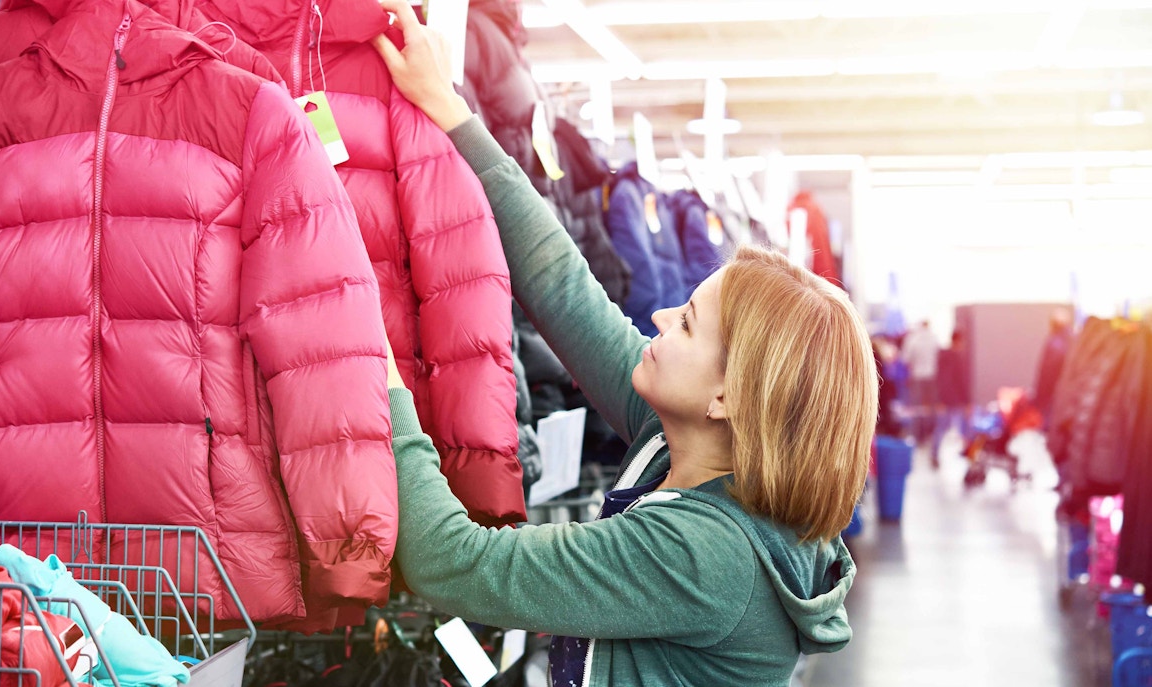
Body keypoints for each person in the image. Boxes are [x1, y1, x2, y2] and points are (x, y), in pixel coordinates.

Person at [371, 3, 878, 684]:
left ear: (728, 396)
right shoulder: (684, 448)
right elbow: (561, 284)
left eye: (689, 322)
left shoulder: (702, 554)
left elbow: (455, 563)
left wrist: (386, 387)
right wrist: (452, 112)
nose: (661, 317)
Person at [933, 329, 971, 466]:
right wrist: (967, 401)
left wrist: (940, 399)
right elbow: (960, 381)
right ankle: (968, 453)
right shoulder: (956, 358)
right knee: (962, 428)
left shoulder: (943, 356)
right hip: (954, 400)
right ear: (959, 341)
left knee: (942, 428)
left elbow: (940, 380)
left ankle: (935, 455)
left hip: (947, 399)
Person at [901, 319, 940, 443]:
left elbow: (905, 359)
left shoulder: (913, 339)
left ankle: (918, 435)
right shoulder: (935, 338)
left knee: (917, 408)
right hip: (932, 377)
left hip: (917, 376)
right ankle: (929, 433)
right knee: (929, 408)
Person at [1033, 307, 1073, 425]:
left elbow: (1046, 375)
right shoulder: (1075, 341)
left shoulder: (1054, 343)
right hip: (1068, 399)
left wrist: (1039, 399)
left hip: (1053, 398)